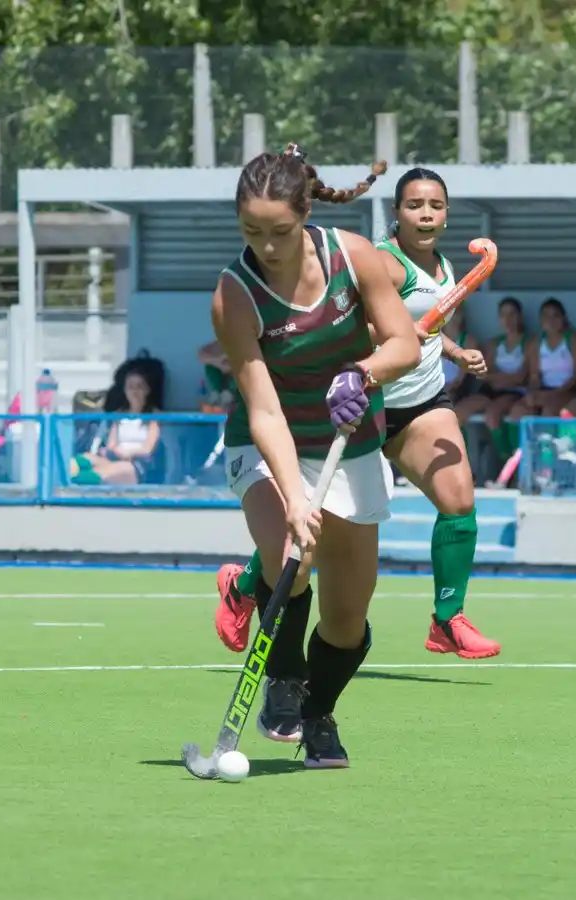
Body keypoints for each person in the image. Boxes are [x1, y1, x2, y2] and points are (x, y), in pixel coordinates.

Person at [214, 167, 501, 663]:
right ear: (397, 213)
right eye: (414, 205)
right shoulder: (380, 262)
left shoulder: (444, 269)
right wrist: (358, 366)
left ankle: (447, 618)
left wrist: (450, 352)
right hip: (350, 404)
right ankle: (246, 588)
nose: (426, 214)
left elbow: (416, 330)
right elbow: (358, 325)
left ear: (448, 214)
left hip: (412, 400)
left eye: (435, 205)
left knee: (458, 498)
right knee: (300, 543)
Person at [207, 143, 420, 768]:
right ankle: (285, 675)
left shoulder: (355, 259)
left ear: (305, 215)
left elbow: (403, 343)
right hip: (266, 442)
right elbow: (264, 408)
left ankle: (319, 711)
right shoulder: (234, 295)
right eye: (252, 232)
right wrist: (295, 498)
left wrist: (361, 372)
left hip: (349, 441)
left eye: (281, 231)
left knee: (348, 616)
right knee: (289, 559)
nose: (268, 247)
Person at [452, 296, 529, 468]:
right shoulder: (495, 343)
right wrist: (505, 378)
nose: (508, 319)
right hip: (490, 391)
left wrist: (500, 378)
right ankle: (463, 467)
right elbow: (483, 374)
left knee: (492, 416)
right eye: (503, 315)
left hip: (515, 393)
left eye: (512, 314)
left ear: (520, 316)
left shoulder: (528, 342)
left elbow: (521, 378)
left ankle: (508, 465)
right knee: (455, 414)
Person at [68, 371, 161, 485]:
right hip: (117, 458)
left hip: (137, 465)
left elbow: (148, 449)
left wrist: (128, 453)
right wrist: (113, 451)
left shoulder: (153, 417)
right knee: (87, 458)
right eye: (131, 387)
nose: (134, 391)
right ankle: (68, 474)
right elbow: (111, 444)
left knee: (107, 471)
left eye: (139, 387)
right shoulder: (119, 416)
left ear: (147, 390)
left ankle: (80, 480)